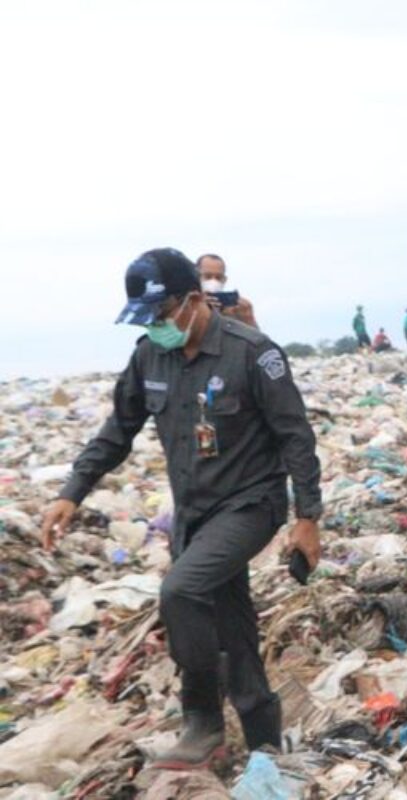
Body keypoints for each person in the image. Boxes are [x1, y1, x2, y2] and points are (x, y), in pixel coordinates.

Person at [40, 249, 323, 769]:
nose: (155, 326)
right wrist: (71, 491)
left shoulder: (252, 352)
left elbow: (295, 436)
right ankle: (263, 739)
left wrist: (307, 518)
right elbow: (117, 431)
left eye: (161, 314)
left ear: (194, 300)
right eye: (145, 318)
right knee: (231, 622)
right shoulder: (149, 356)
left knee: (181, 590)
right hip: (193, 513)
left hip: (251, 504)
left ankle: (202, 721)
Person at [197, 253, 258, 329]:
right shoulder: (187, 305)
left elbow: (256, 336)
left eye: (218, 277)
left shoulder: (235, 310)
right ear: (196, 276)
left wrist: (249, 319)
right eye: (207, 276)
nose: (213, 281)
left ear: (224, 280)